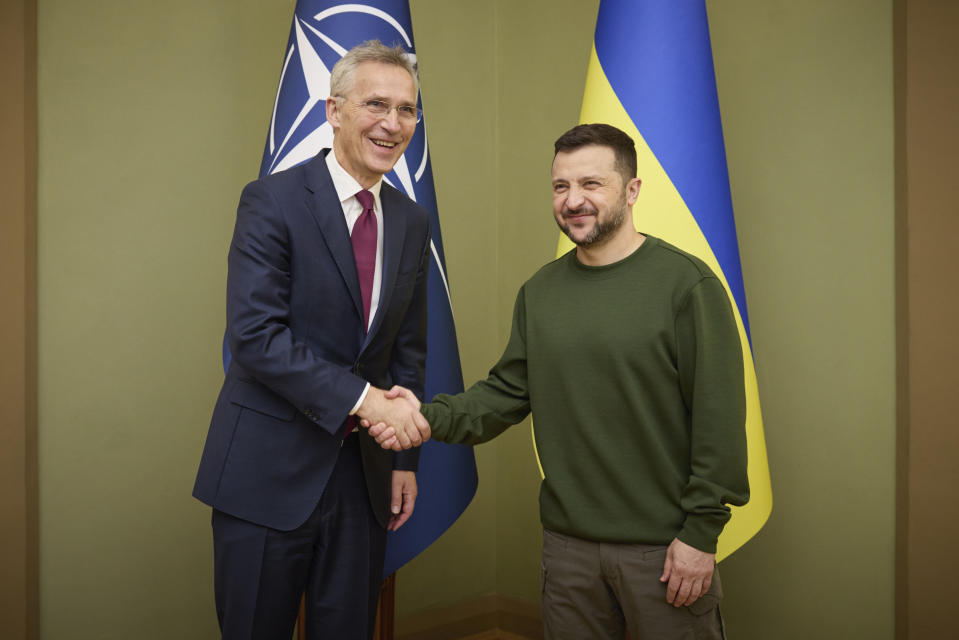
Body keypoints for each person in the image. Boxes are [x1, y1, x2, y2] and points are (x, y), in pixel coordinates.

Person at [370, 123, 750, 639]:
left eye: (591, 184)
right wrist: (421, 416)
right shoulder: (540, 292)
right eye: (561, 186)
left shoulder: (688, 286)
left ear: (632, 190)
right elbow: (504, 394)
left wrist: (700, 535)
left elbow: (719, 421)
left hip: (664, 551)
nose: (573, 201)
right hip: (566, 552)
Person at [192, 40, 429, 640]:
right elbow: (254, 337)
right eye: (377, 103)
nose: (392, 123)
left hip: (364, 480)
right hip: (265, 474)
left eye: (406, 110)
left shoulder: (410, 220)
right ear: (334, 112)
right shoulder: (271, 201)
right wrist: (366, 401)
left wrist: (403, 458)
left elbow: (408, 349)